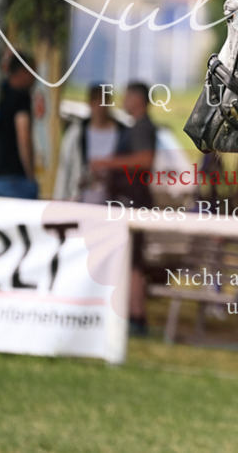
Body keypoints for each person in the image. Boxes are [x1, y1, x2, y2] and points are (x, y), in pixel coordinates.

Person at [92, 81, 158, 335]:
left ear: (138, 99)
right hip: (129, 201)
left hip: (133, 202)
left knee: (132, 261)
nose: (123, 100)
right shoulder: (136, 127)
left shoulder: (142, 128)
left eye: (128, 96)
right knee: (129, 261)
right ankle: (132, 314)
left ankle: (136, 316)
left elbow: (145, 159)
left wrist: (107, 163)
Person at [53, 84, 126, 203]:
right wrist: (60, 200)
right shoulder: (76, 132)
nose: (100, 106)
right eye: (96, 101)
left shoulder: (122, 132)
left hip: (113, 200)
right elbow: (65, 168)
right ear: (90, 103)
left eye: (103, 101)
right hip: (80, 198)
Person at [0, 53, 38, 199]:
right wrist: (30, 174)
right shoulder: (21, 97)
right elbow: (23, 136)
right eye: (33, 72)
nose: (35, 78)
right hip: (15, 179)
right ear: (22, 71)